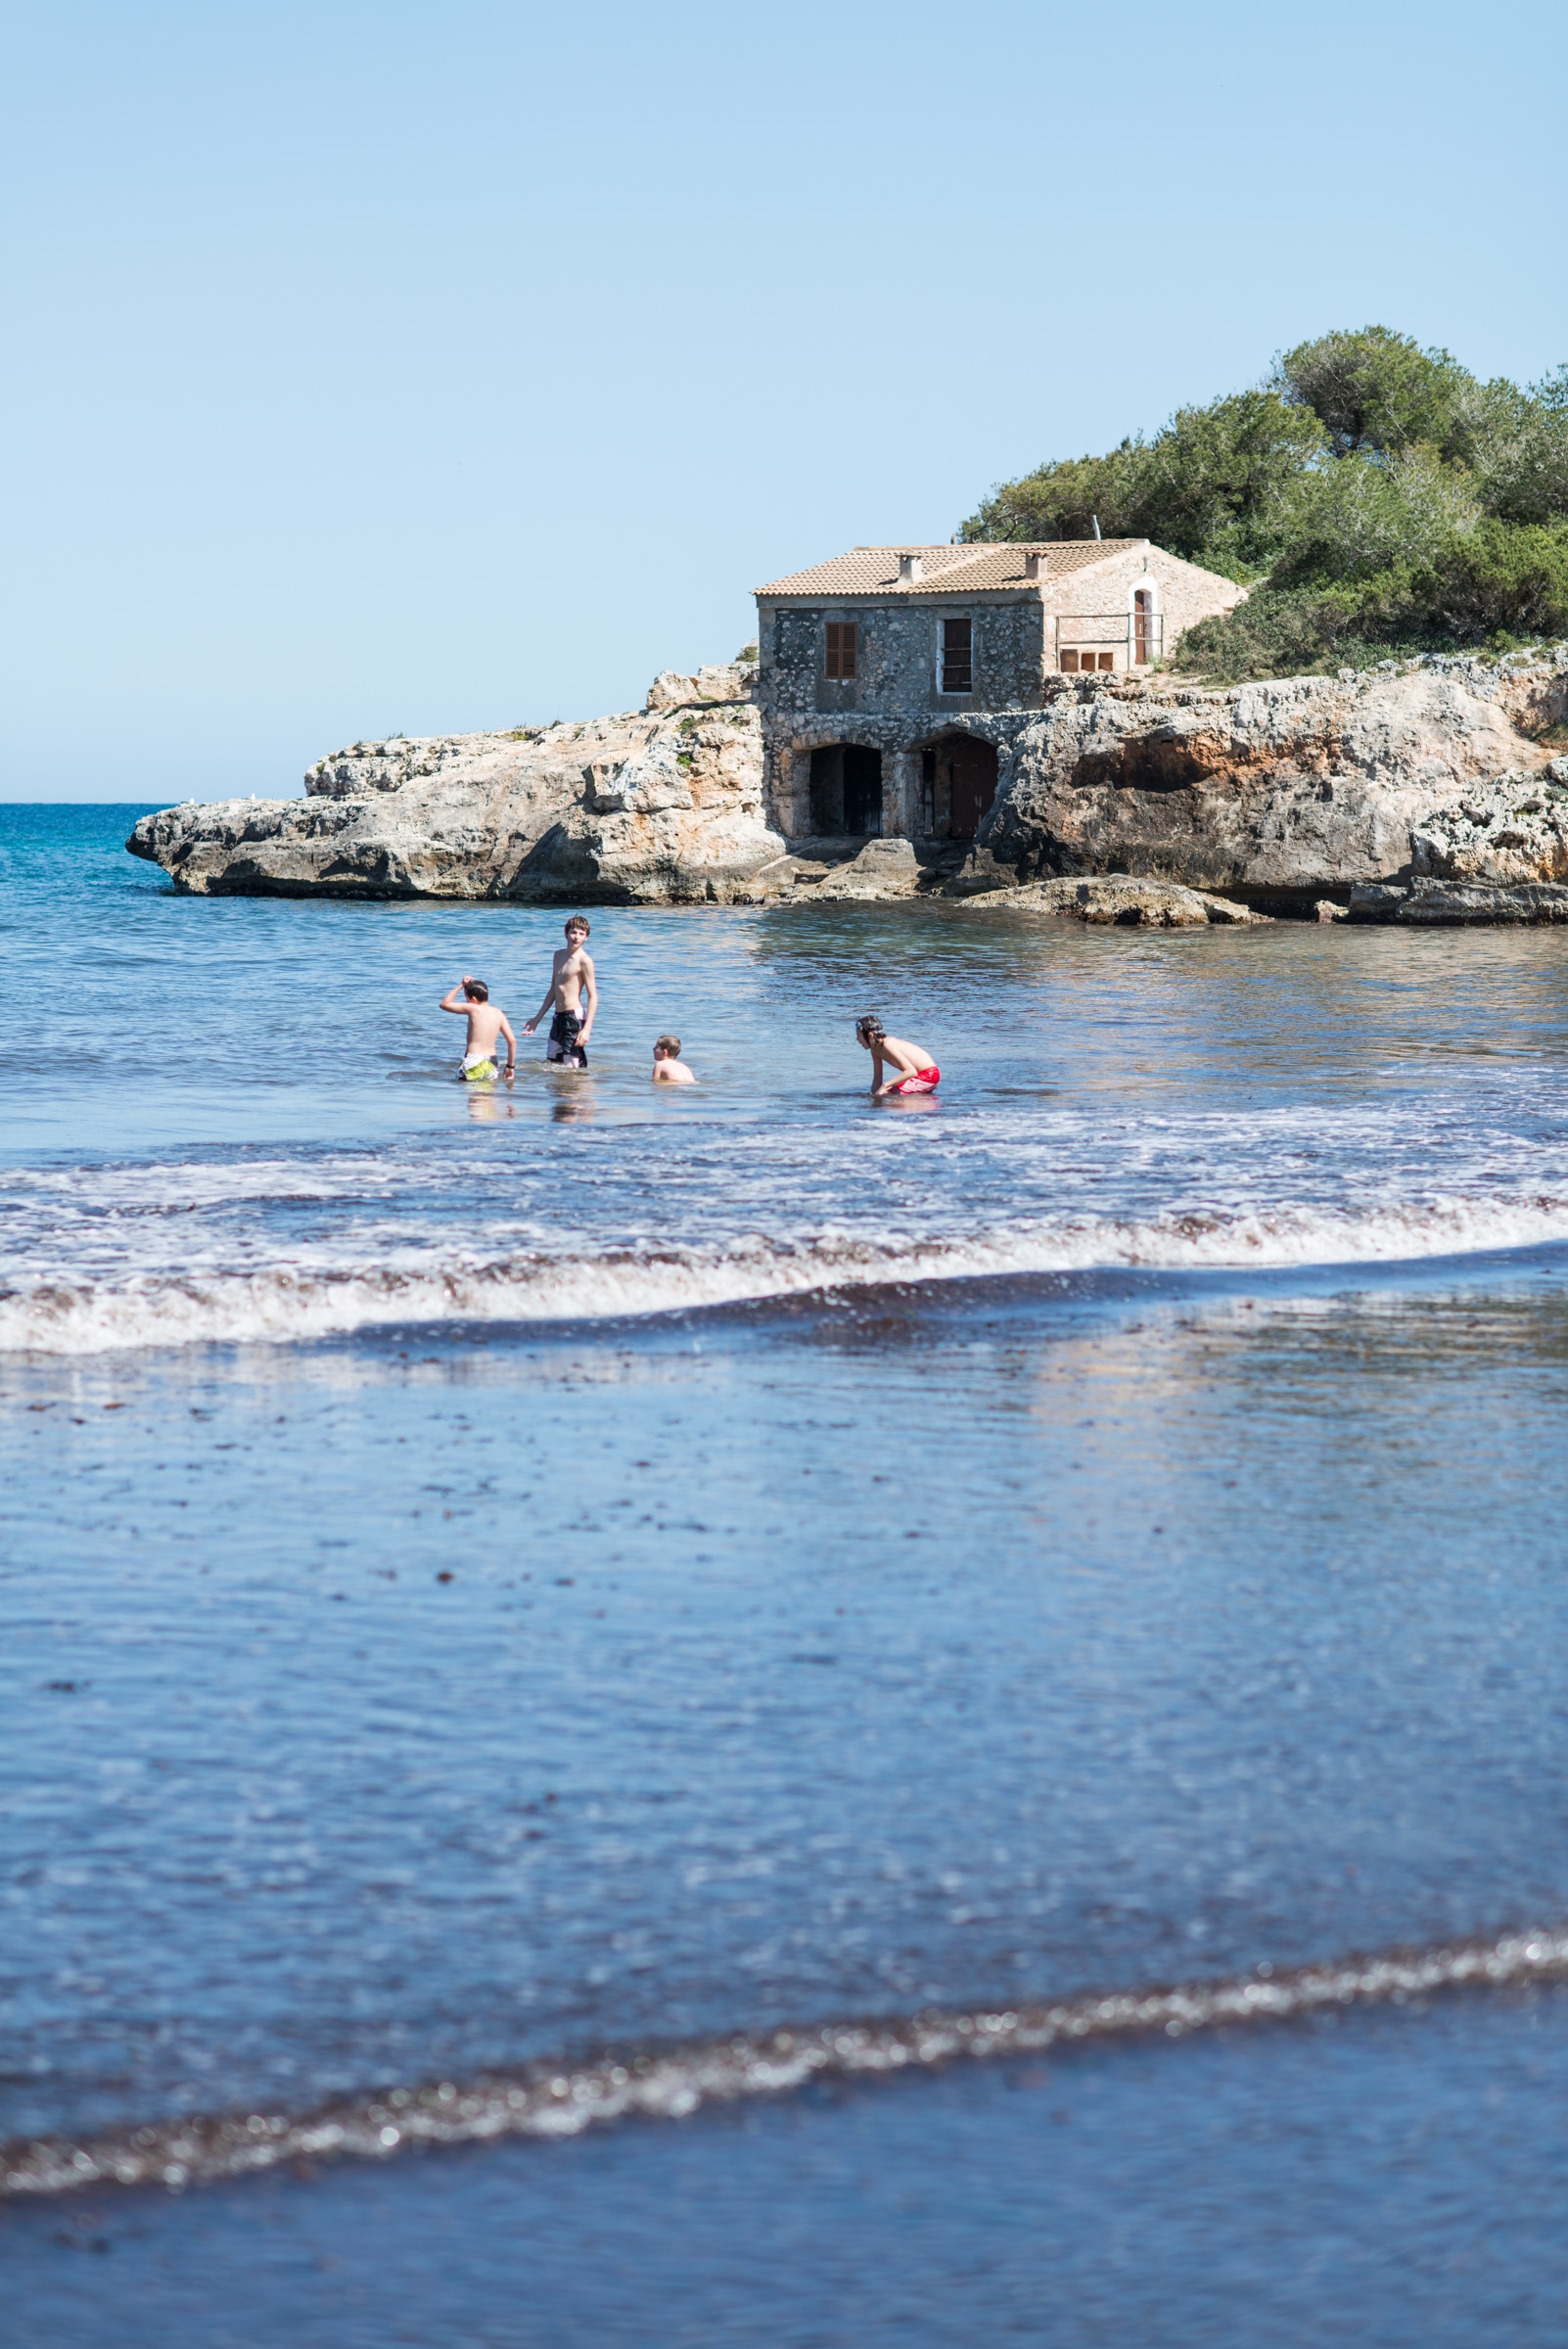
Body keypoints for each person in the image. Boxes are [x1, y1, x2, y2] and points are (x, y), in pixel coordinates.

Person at [524, 915, 597, 1067]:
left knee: (573, 1066)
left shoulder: (584, 961)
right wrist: (537, 1019)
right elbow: (553, 990)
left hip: (574, 1018)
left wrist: (587, 1028)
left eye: (581, 934)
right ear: (566, 933)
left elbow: (593, 996)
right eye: (574, 932)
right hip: (558, 1017)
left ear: (586, 938)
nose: (577, 937)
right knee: (554, 1064)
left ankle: (582, 1090)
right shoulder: (558, 955)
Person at [438, 975, 516, 1082]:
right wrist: (510, 1066)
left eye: (467, 999)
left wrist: (462, 985)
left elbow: (444, 1004)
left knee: (471, 1095)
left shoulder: (474, 1008)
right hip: (492, 1062)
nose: (466, 1003)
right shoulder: (499, 1013)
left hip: (474, 1060)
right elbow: (512, 1041)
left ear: (473, 999)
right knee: (488, 1096)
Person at [856, 1012, 939, 1098]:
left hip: (930, 1075)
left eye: (859, 1036)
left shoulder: (887, 1045)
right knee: (884, 1093)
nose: (857, 1039)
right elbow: (877, 1080)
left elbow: (911, 1071)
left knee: (890, 1095)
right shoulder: (874, 1049)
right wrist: (873, 1097)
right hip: (920, 1076)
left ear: (870, 1035)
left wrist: (885, 1086)